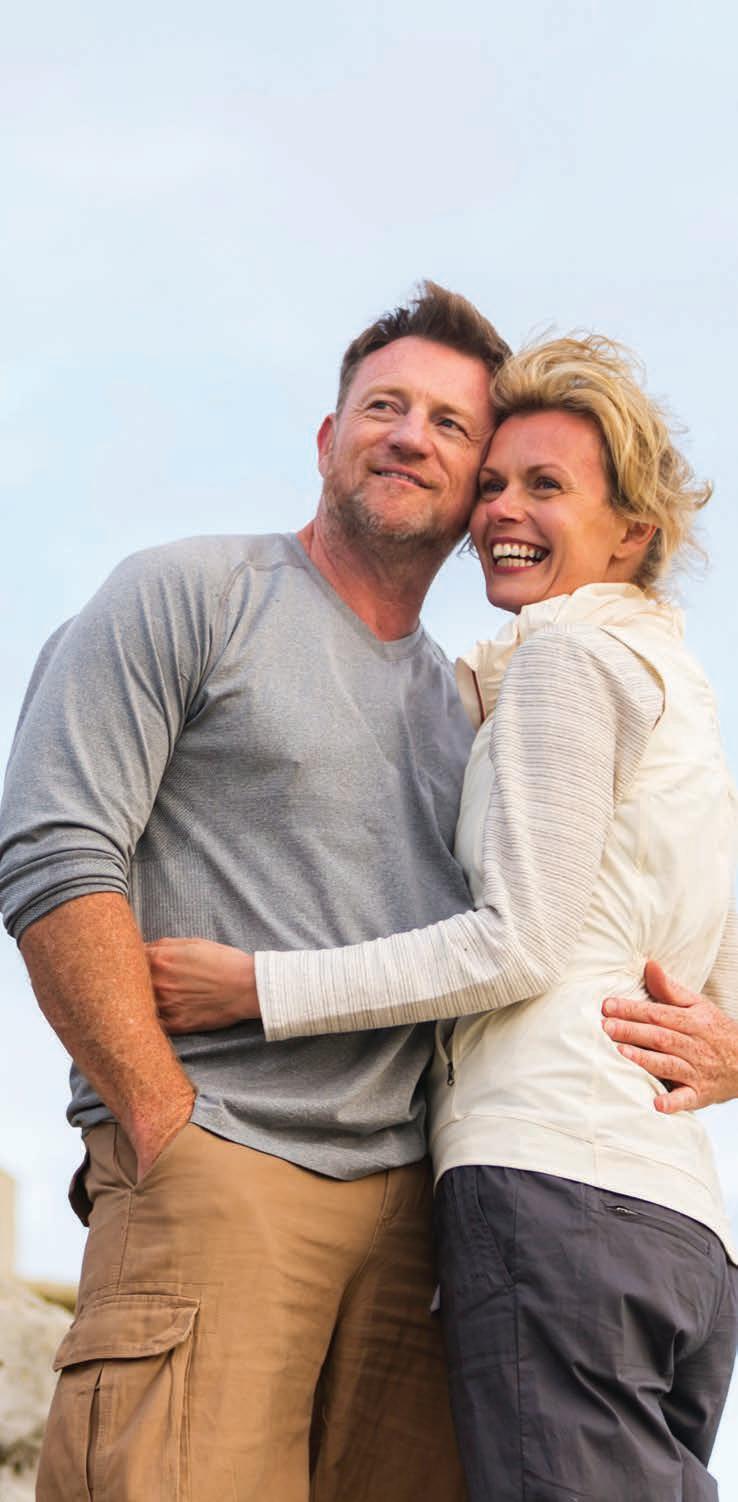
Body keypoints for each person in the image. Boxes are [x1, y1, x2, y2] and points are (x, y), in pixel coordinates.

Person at [148, 336, 738, 1500]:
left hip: (553, 1187)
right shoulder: (677, 689)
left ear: (632, 534)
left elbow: (514, 942)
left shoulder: (571, 659)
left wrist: (255, 985)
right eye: (496, 482)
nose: (501, 510)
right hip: (678, 1229)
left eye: (546, 486)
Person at [0, 282, 511, 1501]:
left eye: (449, 423)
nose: (410, 435)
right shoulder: (189, 593)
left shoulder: (472, 716)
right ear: (328, 437)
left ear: (481, 487)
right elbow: (55, 848)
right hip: (215, 1168)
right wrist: (162, 1120)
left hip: (415, 1235)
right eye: (384, 406)